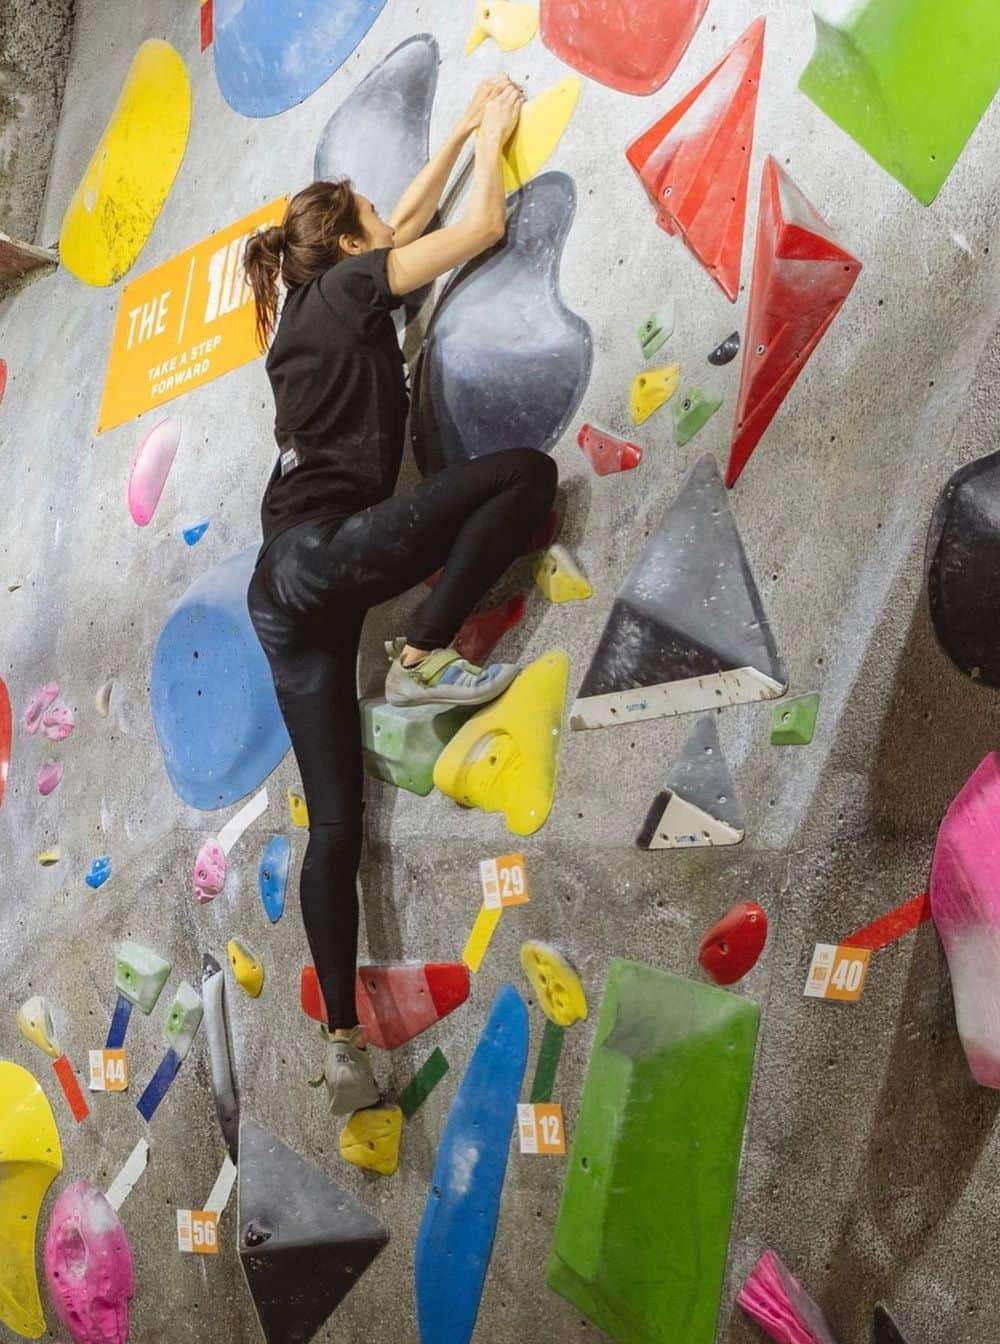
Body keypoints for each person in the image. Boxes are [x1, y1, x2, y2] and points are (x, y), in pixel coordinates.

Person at [243, 77, 559, 1115]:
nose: (393, 221)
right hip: (320, 556)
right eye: (371, 220)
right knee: (525, 478)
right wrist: (498, 136)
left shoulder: (309, 307)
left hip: (285, 593)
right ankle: (425, 650)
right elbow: (467, 228)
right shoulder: (343, 291)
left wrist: (463, 125)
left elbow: (408, 221)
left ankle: (342, 1042)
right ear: (347, 249)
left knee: (337, 828)